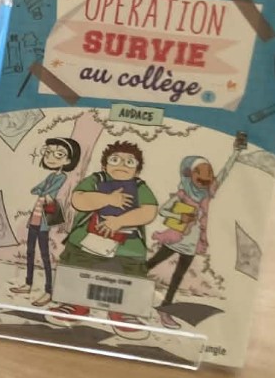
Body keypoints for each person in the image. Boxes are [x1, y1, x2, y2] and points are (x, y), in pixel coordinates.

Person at [46, 141, 159, 339]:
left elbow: (149, 211)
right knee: (76, 267)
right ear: (104, 165)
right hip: (86, 240)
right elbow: (78, 200)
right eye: (115, 160)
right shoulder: (95, 180)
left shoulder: (140, 187)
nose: (121, 164)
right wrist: (108, 199)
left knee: (130, 276)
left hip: (127, 245)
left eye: (129, 162)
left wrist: (119, 221)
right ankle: (75, 304)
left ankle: (123, 313)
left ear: (138, 169)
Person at [148, 137, 245, 328]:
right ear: (189, 174)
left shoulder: (207, 193)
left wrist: (236, 152)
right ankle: (125, 285)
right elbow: (163, 211)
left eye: (208, 175)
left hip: (192, 244)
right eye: (199, 175)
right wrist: (180, 217)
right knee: (151, 263)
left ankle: (165, 309)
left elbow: (225, 172)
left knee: (177, 277)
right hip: (175, 238)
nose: (204, 179)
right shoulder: (182, 194)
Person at [10, 137, 80, 307]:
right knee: (30, 251)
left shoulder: (61, 177)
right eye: (48, 152)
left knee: (44, 255)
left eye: (59, 154)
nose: (51, 157)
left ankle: (48, 291)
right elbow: (36, 189)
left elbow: (49, 191)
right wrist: (42, 191)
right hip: (35, 219)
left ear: (68, 160)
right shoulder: (51, 175)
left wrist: (43, 191)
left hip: (44, 221)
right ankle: (28, 284)